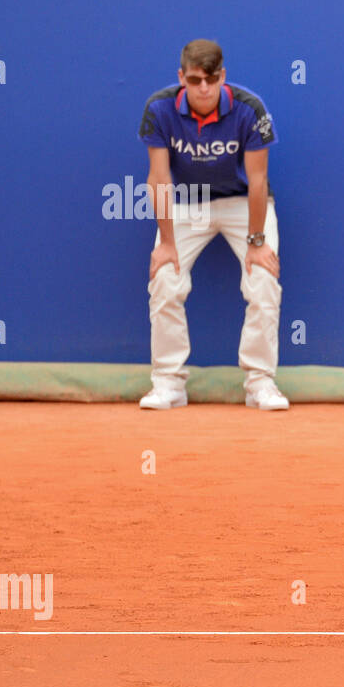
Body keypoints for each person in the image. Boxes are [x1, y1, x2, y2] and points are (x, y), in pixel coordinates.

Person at [136, 39, 288, 410]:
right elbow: (158, 179)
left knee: (264, 279)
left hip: (243, 202)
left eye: (211, 79)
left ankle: (259, 383)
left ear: (223, 76)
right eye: (194, 80)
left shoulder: (250, 109)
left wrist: (256, 241)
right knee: (165, 279)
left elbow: (257, 180)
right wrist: (167, 243)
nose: (203, 88)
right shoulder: (159, 108)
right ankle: (169, 382)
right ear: (181, 77)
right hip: (189, 203)